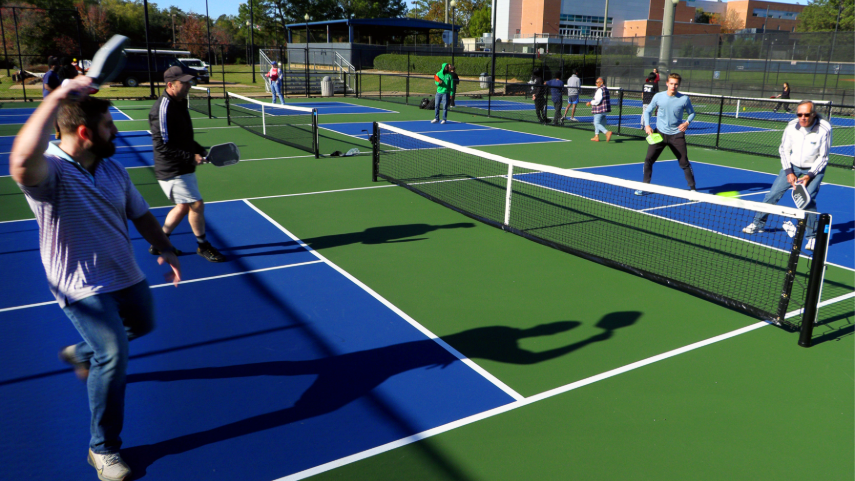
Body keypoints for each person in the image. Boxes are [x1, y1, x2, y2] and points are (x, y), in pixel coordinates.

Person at [10, 76, 182, 481]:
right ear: (85, 132)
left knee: (143, 324)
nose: (116, 131)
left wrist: (165, 247)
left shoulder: (113, 170)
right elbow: (20, 162)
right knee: (114, 353)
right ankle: (102, 449)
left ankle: (80, 353)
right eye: (109, 126)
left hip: (124, 272)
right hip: (78, 284)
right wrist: (56, 95)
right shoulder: (49, 174)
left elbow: (139, 213)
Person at [149, 66, 226, 262]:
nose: (189, 86)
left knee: (183, 206)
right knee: (196, 204)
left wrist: (199, 150)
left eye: (189, 82)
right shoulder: (163, 108)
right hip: (171, 168)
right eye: (184, 83)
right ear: (170, 85)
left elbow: (183, 137)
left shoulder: (179, 102)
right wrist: (190, 157)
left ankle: (159, 242)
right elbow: (164, 145)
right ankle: (203, 246)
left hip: (180, 165)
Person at [742, 100, 832, 251]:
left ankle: (812, 237)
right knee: (773, 194)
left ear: (814, 114)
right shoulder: (791, 126)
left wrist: (809, 175)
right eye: (799, 114)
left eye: (806, 114)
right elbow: (784, 150)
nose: (802, 117)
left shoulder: (824, 128)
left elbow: (823, 157)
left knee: (808, 201)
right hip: (792, 167)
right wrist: (789, 172)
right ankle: (758, 224)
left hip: (814, 169)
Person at [638, 73, 696, 194]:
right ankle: (645, 186)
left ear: (678, 85)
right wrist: (647, 125)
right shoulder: (658, 96)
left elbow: (692, 113)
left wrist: (687, 123)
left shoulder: (684, 99)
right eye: (671, 84)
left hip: (677, 135)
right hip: (659, 134)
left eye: (676, 84)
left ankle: (693, 189)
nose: (673, 86)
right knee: (648, 160)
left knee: (684, 162)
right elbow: (648, 111)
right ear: (667, 83)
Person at [586, 77, 612, 142]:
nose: (596, 83)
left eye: (597, 82)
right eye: (596, 82)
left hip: (599, 109)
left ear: (602, 82)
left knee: (596, 123)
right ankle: (596, 136)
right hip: (605, 110)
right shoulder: (605, 89)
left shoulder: (600, 89)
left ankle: (607, 132)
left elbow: (597, 101)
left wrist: (590, 102)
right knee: (600, 123)